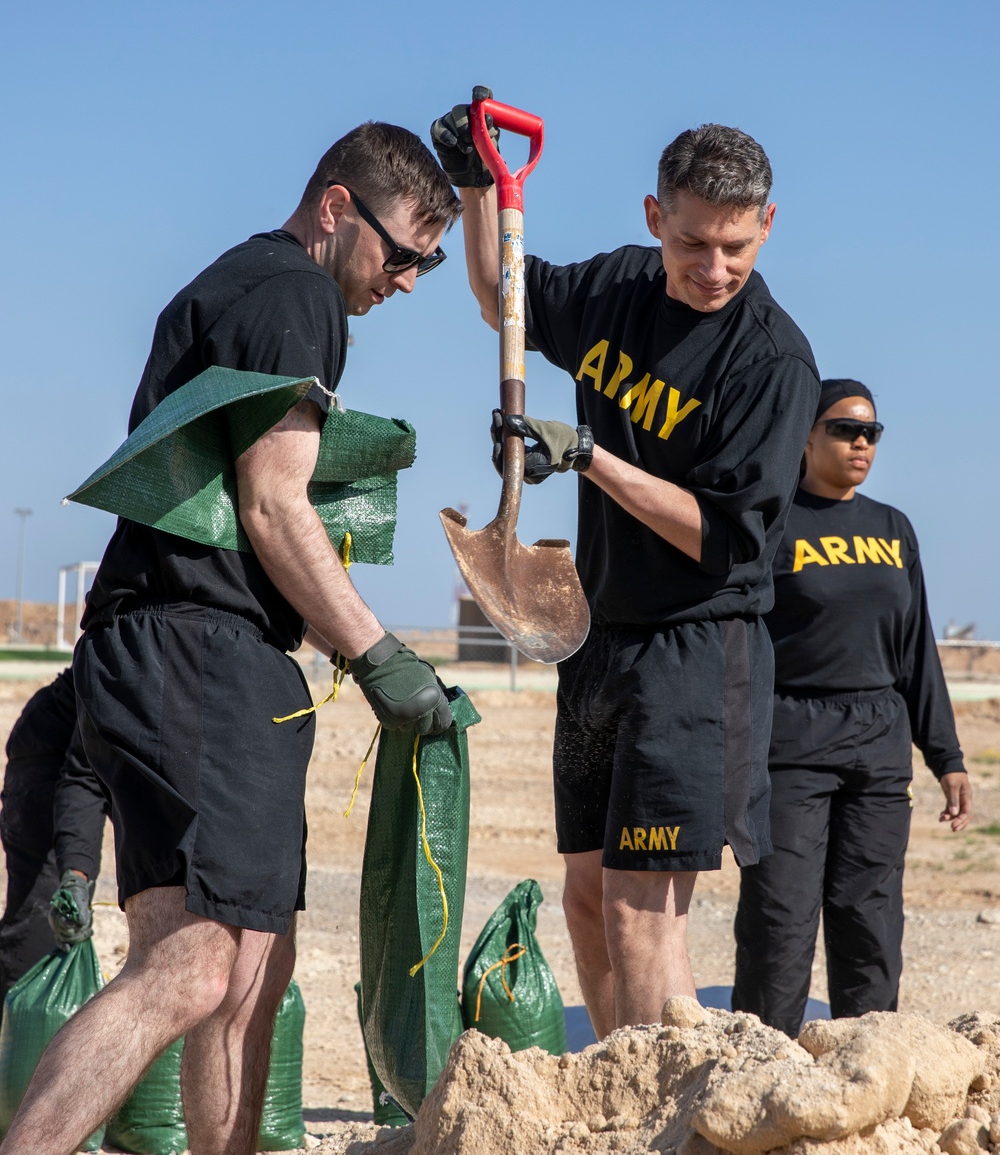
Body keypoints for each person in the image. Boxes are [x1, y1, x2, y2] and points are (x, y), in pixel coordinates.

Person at [0, 122, 460, 1155]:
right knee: (203, 960)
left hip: (184, 649)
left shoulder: (246, 285)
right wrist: (377, 651)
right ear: (336, 208)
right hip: (195, 644)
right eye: (401, 254)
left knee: (255, 955)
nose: (408, 281)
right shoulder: (293, 293)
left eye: (428, 261)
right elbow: (271, 502)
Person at [431, 90, 819, 1037]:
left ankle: (658, 1123)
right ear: (656, 219)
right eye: (693, 243)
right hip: (598, 640)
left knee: (646, 909)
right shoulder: (615, 289)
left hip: (695, 653)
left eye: (737, 245)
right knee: (590, 900)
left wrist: (588, 458)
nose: (715, 267)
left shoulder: (772, 364)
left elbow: (726, 538)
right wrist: (479, 184)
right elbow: (499, 296)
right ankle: (625, 1086)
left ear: (768, 226)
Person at [731, 379, 972, 1036]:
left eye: (871, 432)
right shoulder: (772, 522)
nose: (862, 442)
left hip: (878, 741)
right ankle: (763, 1067)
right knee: (780, 915)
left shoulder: (894, 529)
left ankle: (867, 1060)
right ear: (806, 435)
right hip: (790, 742)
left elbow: (917, 648)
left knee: (868, 911)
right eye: (845, 428)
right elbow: (736, 642)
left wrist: (945, 755)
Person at [0, 670, 107, 1009]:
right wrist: (75, 874)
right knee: (48, 915)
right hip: (53, 749)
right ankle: (16, 1045)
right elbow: (84, 778)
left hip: (106, 754)